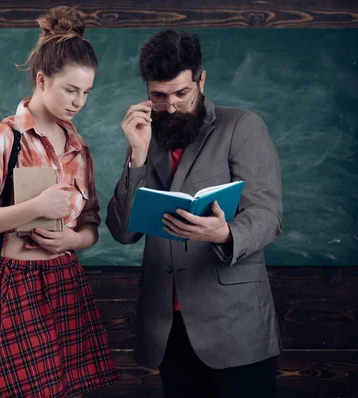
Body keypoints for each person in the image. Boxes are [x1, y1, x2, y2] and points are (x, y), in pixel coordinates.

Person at [106, 29, 282, 398]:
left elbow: (268, 215)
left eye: (182, 94)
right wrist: (136, 156)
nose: (171, 107)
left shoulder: (243, 127)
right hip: (167, 328)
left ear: (201, 80)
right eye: (159, 96)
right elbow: (123, 232)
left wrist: (224, 233)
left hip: (236, 325)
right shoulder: (145, 135)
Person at [0, 6, 117, 398]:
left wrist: (73, 241)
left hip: (66, 279)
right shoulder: (3, 137)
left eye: (86, 92)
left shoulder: (79, 148)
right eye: (70, 89)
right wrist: (36, 207)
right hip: (20, 285)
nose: (79, 101)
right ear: (42, 80)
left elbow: (92, 222)